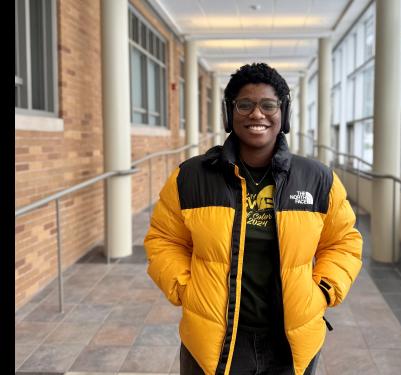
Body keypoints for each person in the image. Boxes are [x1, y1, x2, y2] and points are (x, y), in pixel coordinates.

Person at [144, 62, 363, 375]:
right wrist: (184, 288)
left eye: (268, 105)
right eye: (244, 104)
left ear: (283, 113)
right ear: (229, 113)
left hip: (290, 342)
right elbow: (163, 239)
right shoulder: (190, 177)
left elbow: (344, 242)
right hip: (212, 340)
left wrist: (324, 289)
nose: (257, 114)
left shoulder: (316, 179)